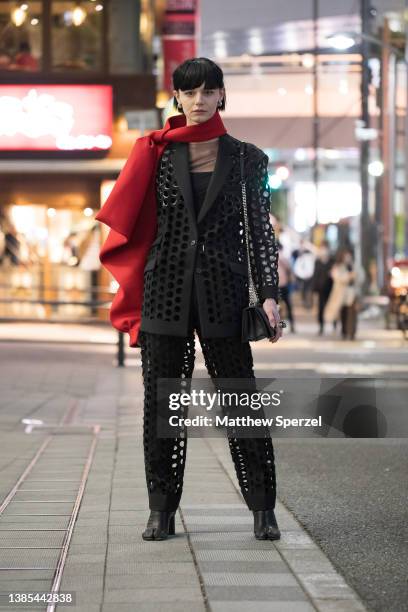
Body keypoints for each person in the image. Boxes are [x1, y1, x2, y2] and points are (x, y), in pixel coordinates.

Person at [96, 57, 283, 542]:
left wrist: (268, 295)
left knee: (240, 403)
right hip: (166, 291)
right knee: (164, 407)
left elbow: (260, 233)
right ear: (176, 98)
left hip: (223, 291)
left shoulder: (247, 158)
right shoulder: (154, 154)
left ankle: (263, 509)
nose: (198, 101)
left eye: (207, 92)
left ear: (222, 95)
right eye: (188, 92)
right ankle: (161, 511)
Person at [324, 247, 363, 340]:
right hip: (341, 294)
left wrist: (354, 276)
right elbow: (337, 277)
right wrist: (349, 276)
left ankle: (352, 332)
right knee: (344, 314)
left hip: (353, 293)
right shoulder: (337, 267)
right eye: (345, 256)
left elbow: (361, 276)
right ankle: (345, 331)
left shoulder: (354, 266)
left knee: (353, 314)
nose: (347, 257)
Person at [311, 240, 334, 335]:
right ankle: (321, 326)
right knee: (320, 307)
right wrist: (313, 289)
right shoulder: (317, 261)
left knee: (331, 306)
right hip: (320, 288)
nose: (324, 250)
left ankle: (334, 323)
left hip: (331, 287)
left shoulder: (332, 261)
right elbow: (315, 275)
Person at [292, 239, 315, 309]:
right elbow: (297, 268)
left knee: (308, 290)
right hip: (302, 276)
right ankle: (305, 301)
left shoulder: (310, 256)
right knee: (304, 289)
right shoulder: (298, 254)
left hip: (309, 276)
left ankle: (308, 302)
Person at [278, 242, 295, 332]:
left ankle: (279, 327)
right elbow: (289, 268)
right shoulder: (283, 256)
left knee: (278, 308)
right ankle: (291, 326)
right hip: (283, 285)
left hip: (276, 286)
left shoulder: (272, 256)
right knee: (288, 306)